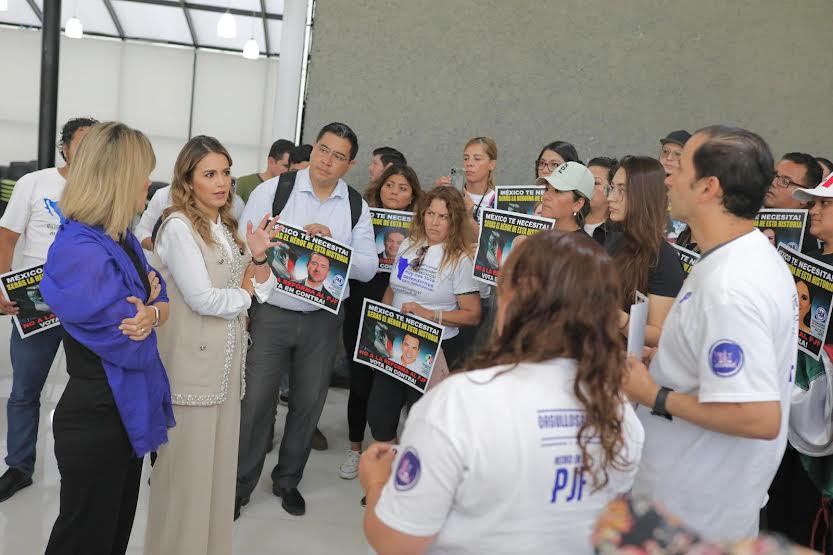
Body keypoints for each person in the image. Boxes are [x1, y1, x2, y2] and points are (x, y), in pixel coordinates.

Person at [359, 231, 644, 555]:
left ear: (513, 301)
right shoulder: (619, 413)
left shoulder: (459, 403)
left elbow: (395, 543)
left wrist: (376, 481)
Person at [623, 125, 797, 542]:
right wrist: (668, 367)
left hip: (695, 516)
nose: (667, 177)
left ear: (708, 188)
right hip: (691, 505)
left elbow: (758, 416)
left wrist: (654, 394)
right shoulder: (737, 258)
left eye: (679, 167)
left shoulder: (731, 286)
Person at [39, 122, 175, 554]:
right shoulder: (80, 249)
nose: (149, 183)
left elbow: (160, 298)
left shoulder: (120, 238)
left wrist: (150, 309)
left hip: (123, 412)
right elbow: (132, 344)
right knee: (84, 538)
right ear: (117, 178)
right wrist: (152, 309)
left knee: (114, 532)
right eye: (142, 173)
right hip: (98, 414)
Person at [235, 122, 379, 518]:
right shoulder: (275, 190)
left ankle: (287, 481)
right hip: (272, 312)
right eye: (323, 150)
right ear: (313, 150)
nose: (326, 161)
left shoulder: (353, 205)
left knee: (308, 404)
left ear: (348, 164)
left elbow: (368, 267)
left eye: (338, 156)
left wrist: (332, 243)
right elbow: (246, 241)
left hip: (322, 319)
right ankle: (239, 485)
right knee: (256, 402)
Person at [144, 136, 277, 555]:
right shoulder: (178, 226)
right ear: (187, 179)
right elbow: (203, 298)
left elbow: (266, 285)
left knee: (217, 478)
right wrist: (248, 294)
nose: (222, 183)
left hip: (226, 369)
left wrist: (256, 258)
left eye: (225, 173)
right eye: (209, 174)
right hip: (190, 368)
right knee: (186, 479)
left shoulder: (225, 225)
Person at [0, 116, 97, 503]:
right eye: (82, 142)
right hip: (34, 301)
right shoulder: (34, 183)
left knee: (89, 390)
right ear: (65, 147)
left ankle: (81, 468)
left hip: (86, 304)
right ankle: (19, 466)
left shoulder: (108, 190)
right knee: (24, 389)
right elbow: (7, 238)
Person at [366, 186, 481, 445]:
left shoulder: (459, 259)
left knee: (422, 421)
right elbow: (394, 288)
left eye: (443, 216)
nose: (434, 222)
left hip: (433, 348)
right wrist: (380, 320)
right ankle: (389, 466)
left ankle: (412, 475)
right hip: (394, 340)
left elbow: (472, 314)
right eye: (430, 213)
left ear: (454, 221)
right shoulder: (408, 244)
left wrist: (429, 314)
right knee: (379, 415)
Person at [339, 164, 423, 482]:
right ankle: (355, 448)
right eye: (390, 185)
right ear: (379, 187)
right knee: (360, 382)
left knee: (390, 388)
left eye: (403, 187)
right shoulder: (362, 218)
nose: (395, 192)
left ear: (413, 194)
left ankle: (387, 453)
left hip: (402, 313)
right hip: (362, 304)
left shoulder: (422, 228)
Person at [605, 156, 685, 347]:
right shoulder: (617, 241)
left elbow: (660, 335)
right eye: (612, 188)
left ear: (643, 195)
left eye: (621, 190)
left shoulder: (663, 258)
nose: (610, 197)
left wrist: (617, 318)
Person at [135, 180, 245, 251]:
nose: (220, 181)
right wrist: (162, 248)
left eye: (225, 172)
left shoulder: (231, 202)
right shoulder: (164, 195)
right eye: (209, 174)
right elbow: (141, 231)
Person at [765, 152, 823, 254]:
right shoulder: (746, 214)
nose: (773, 183)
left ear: (804, 196)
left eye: (785, 181)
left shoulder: (813, 236)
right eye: (774, 175)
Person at [536, 161, 595, 233]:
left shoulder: (582, 243)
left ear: (578, 204)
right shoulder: (541, 237)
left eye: (557, 191)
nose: (546, 196)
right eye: (547, 189)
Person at [235, 138, 295, 203]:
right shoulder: (243, 184)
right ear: (271, 161)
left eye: (293, 168)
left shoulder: (292, 190)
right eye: (286, 166)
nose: (290, 170)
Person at [585, 156, 619, 244]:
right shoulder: (571, 219)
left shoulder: (619, 230)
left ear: (612, 188)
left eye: (595, 183)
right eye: (585, 181)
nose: (587, 186)